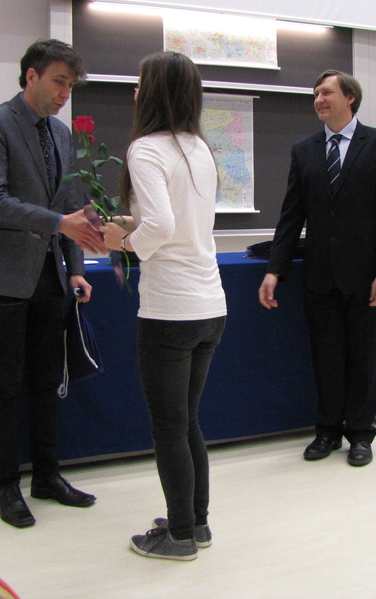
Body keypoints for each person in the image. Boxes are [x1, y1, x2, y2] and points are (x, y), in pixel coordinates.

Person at [0, 38, 108, 528]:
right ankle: (7, 485)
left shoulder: (62, 134)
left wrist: (76, 268)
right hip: (4, 273)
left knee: (48, 380)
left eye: (70, 84)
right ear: (31, 76)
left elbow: (70, 205)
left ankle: (47, 475)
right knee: (5, 383)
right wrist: (61, 224)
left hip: (50, 275)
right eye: (59, 82)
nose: (66, 93)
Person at [101, 51, 226, 561]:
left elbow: (161, 227)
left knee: (170, 427)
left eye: (140, 82)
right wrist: (129, 226)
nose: (134, 91)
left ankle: (177, 536)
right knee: (187, 421)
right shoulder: (199, 148)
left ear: (153, 91)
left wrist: (122, 241)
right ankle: (195, 524)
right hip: (209, 305)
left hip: (171, 310)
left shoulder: (145, 149)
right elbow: (176, 222)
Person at [258, 69, 376, 467]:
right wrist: (275, 269)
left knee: (363, 359)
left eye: (326, 92)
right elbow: (292, 216)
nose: (319, 100)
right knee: (325, 358)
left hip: (366, 276)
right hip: (320, 275)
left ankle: (360, 434)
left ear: (350, 97)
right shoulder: (304, 150)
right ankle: (326, 431)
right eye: (316, 94)